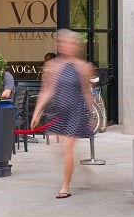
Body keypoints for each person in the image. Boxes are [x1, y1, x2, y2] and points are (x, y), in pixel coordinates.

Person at [31, 29, 95, 199]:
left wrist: (90, 114)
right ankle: (77, 167)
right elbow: (47, 90)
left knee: (67, 147)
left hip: (75, 110)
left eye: (67, 42)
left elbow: (87, 92)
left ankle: (65, 187)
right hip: (58, 110)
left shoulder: (82, 67)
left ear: (75, 45)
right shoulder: (52, 65)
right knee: (57, 148)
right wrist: (37, 112)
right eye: (61, 42)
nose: (63, 45)